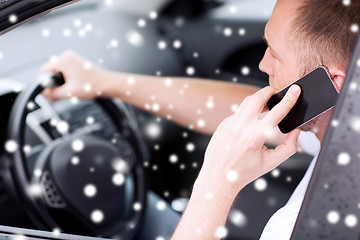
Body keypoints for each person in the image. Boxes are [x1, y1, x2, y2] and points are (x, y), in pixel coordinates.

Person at [40, 0, 360, 239]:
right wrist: (103, 82)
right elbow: (245, 110)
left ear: (334, 83)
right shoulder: (344, 128)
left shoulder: (297, 226)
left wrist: (218, 181)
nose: (263, 65)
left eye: (275, 54)